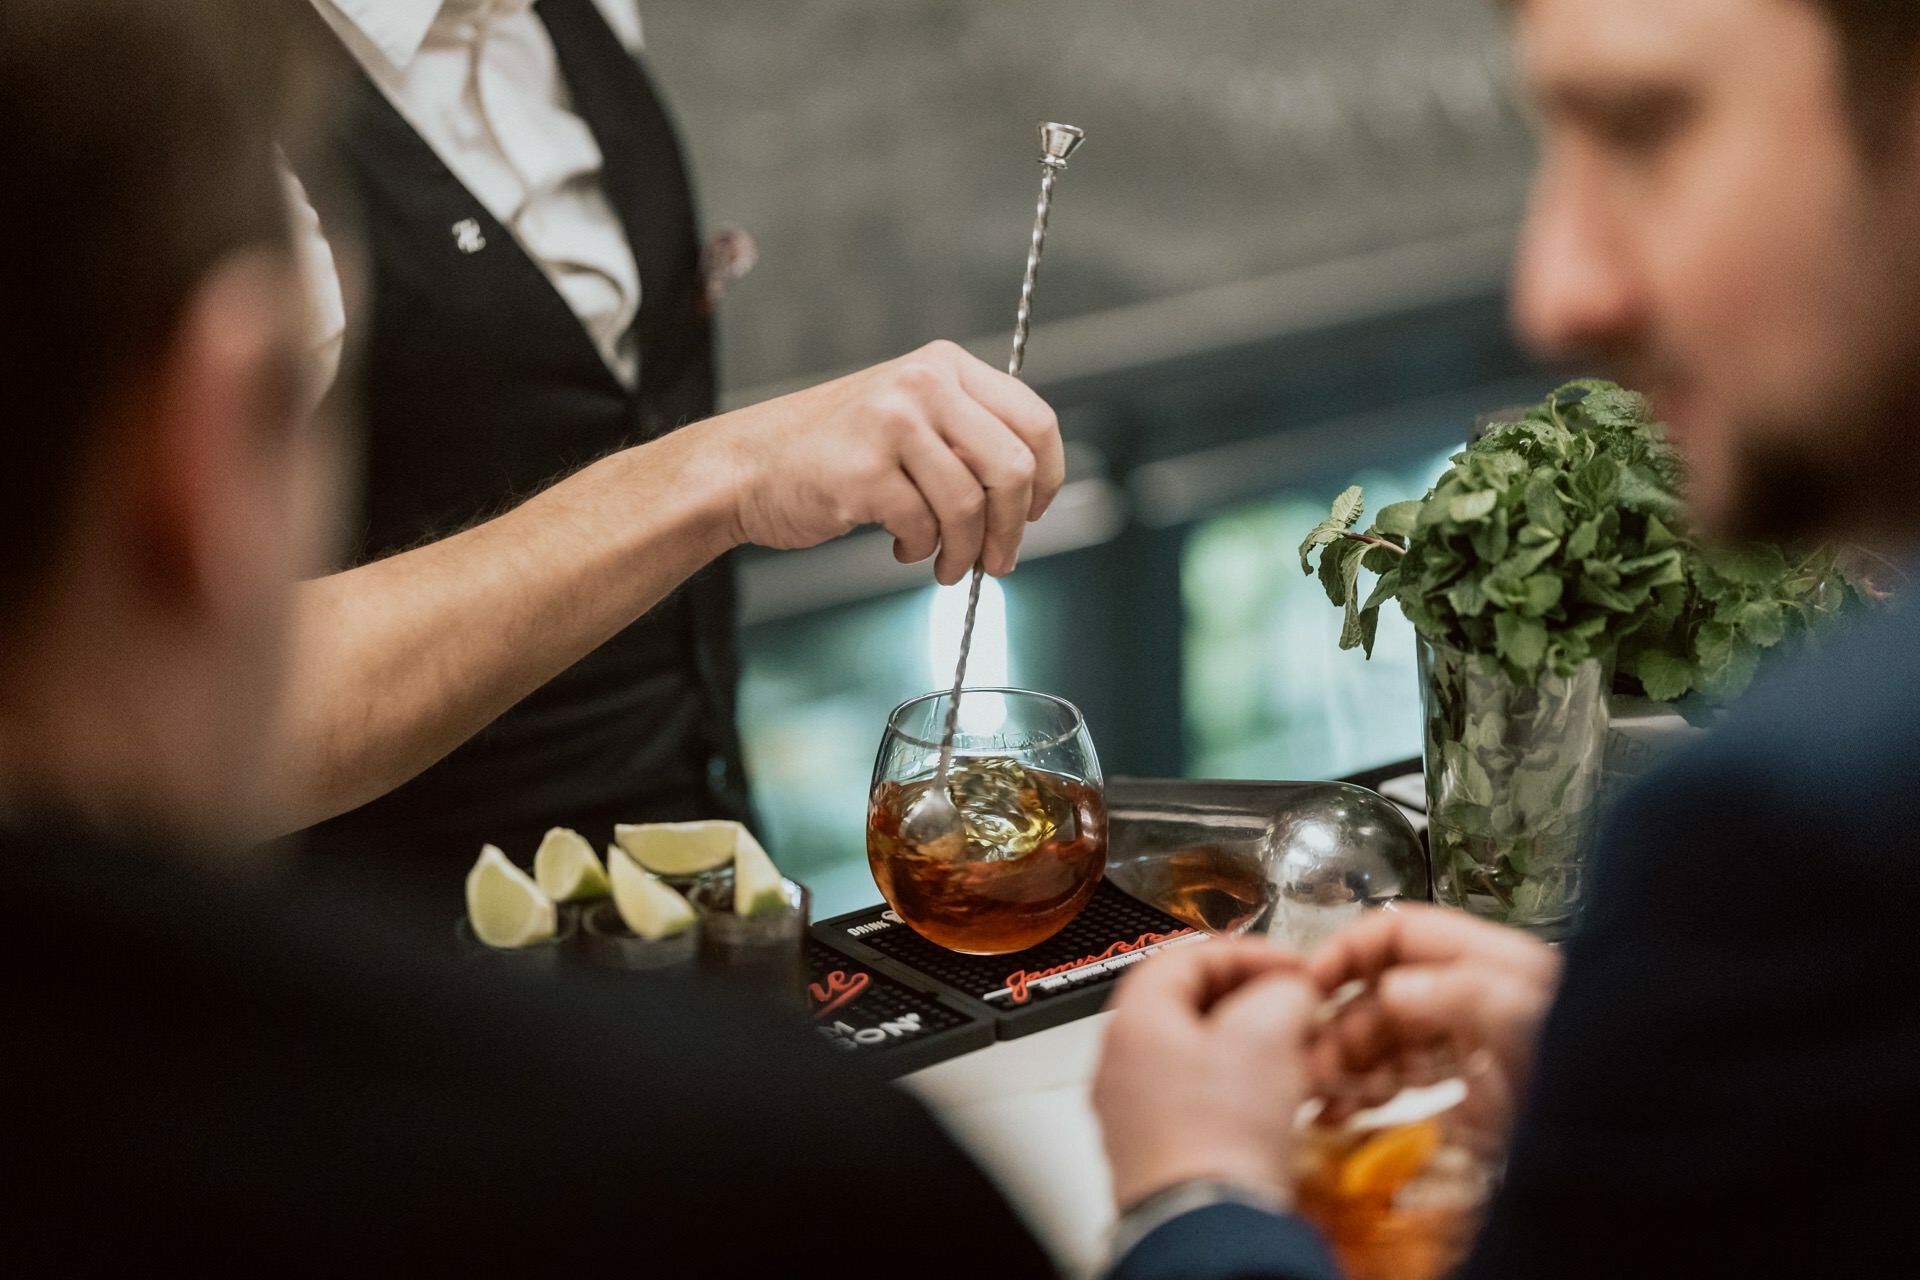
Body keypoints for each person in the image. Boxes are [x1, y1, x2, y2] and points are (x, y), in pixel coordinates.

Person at [0, 3, 1056, 1272]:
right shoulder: (172, 97)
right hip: (372, 1084)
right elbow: (194, 684)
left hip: (699, 974)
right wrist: (719, 471)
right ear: (214, 428)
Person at [1093, 0, 1920, 1275]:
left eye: (1646, 129)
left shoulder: (1800, 824)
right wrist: (1658, 1056)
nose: (1556, 289)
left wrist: (1192, 1191)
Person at [266, 0, 1066, 886]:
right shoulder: (206, 103)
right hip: (397, 971)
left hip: (705, 900)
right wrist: (727, 473)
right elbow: (235, 711)